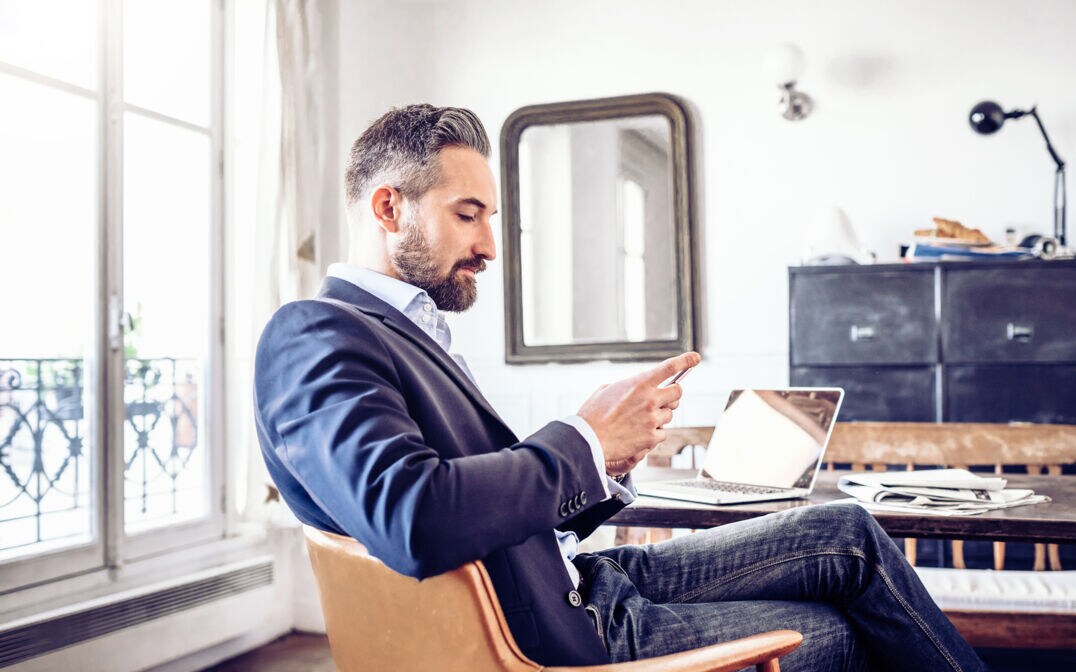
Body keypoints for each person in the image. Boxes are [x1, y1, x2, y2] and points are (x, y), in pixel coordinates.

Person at [253, 103, 987, 672]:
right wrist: (585, 439)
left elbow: (484, 503)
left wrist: (607, 462)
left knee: (847, 534)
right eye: (466, 215)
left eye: (490, 218)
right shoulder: (315, 335)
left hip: (577, 579)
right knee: (836, 628)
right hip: (565, 630)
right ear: (389, 208)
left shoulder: (406, 330)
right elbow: (412, 519)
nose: (486, 246)